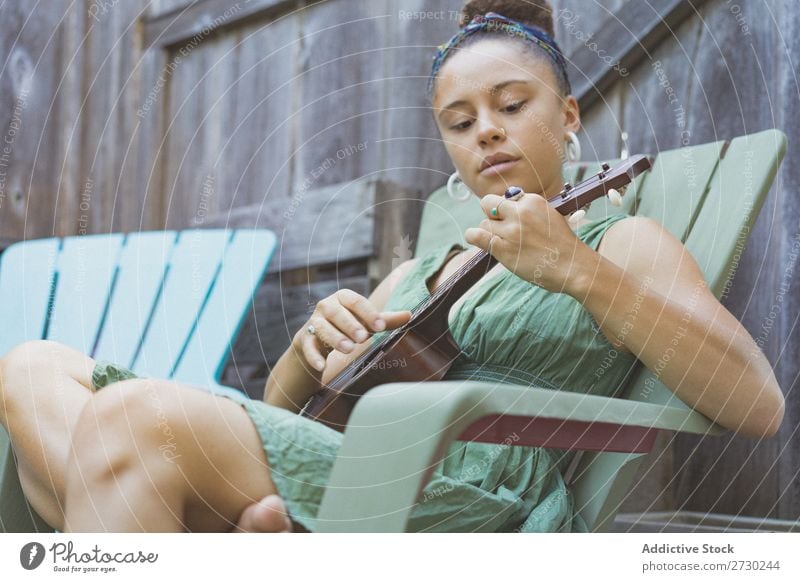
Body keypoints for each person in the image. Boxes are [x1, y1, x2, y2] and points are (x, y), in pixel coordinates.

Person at [0, 0, 784, 533]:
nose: (487, 132)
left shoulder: (621, 241)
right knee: (30, 369)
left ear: (568, 115)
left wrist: (577, 270)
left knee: (126, 424)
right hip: (353, 459)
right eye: (460, 120)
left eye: (512, 106)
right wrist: (310, 352)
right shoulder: (418, 272)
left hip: (468, 490)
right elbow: (291, 406)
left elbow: (756, 404)